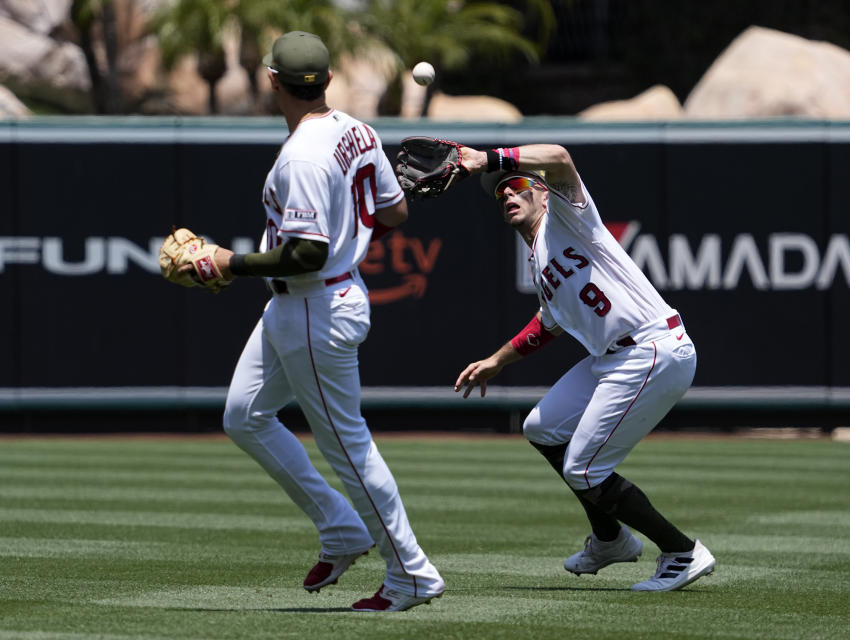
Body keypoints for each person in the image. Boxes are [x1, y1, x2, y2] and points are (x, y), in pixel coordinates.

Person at [189, 31, 444, 612]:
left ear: (273, 81)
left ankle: (412, 572)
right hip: (301, 304)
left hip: (315, 305)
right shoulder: (358, 129)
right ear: (326, 81)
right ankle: (341, 527)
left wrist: (230, 262)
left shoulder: (304, 154)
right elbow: (396, 211)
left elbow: (307, 250)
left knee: (348, 447)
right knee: (243, 415)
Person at [452, 142, 716, 591]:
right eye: (500, 195)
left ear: (540, 192)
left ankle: (681, 551)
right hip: (612, 358)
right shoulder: (538, 257)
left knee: (583, 469)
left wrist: (491, 160)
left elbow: (558, 155)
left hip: (651, 348)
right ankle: (611, 539)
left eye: (516, 187)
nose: (507, 195)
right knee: (541, 427)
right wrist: (497, 360)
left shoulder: (567, 216)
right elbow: (547, 325)